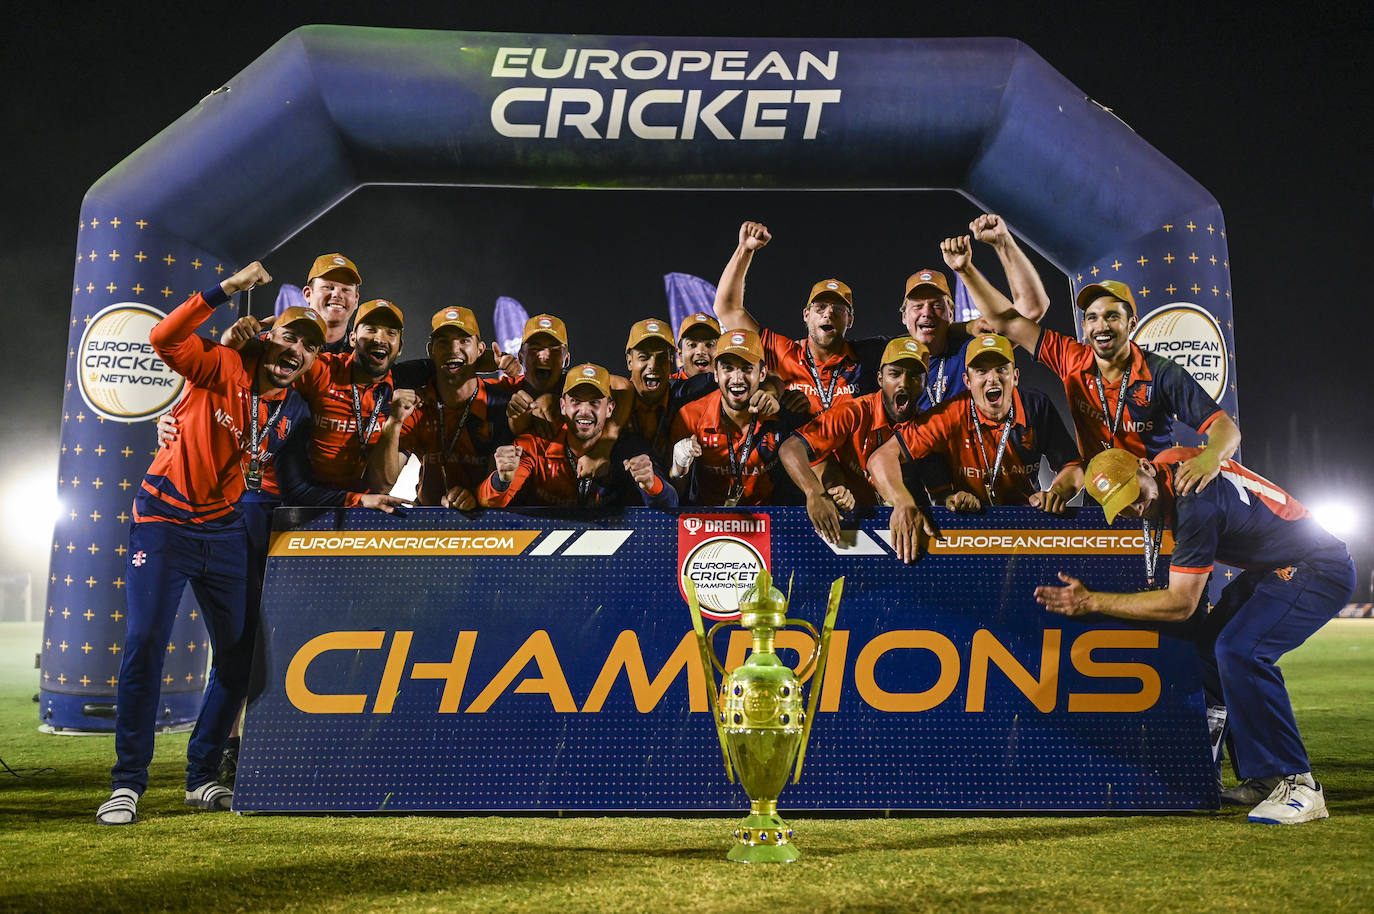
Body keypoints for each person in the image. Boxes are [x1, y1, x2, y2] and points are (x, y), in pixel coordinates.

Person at [94, 263, 399, 826]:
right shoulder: (222, 364)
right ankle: (127, 783)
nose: (297, 350)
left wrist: (360, 499)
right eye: (290, 337)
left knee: (240, 657)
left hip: (225, 528)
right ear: (270, 338)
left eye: (308, 346)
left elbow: (302, 479)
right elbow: (164, 338)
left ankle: (202, 775)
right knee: (145, 646)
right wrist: (226, 291)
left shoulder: (295, 410)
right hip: (164, 525)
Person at [1036, 447, 1356, 826]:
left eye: (1133, 493)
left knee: (1241, 651)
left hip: (1318, 566)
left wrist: (1092, 601)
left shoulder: (1195, 506)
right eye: (1120, 505)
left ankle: (1298, 783)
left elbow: (1180, 604)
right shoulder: (1174, 462)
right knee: (1208, 653)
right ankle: (1268, 778)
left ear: (1145, 467)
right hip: (1277, 566)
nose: (1134, 509)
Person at [943, 234, 1242, 495]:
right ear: (1084, 326)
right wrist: (966, 269)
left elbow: (1225, 427)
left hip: (1152, 495)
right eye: (1092, 317)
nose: (1102, 326)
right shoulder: (1072, 357)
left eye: (1112, 316)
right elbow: (1006, 321)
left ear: (1131, 323)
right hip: (1101, 496)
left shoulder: (1161, 373)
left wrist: (1210, 458)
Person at [868, 333, 1083, 525]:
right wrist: (903, 503)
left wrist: (1056, 493)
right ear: (967, 381)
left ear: (1015, 376)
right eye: (981, 371)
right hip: (969, 522)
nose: (992, 378)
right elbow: (880, 458)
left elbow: (1074, 468)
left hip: (1025, 520)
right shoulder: (949, 413)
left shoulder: (1036, 406)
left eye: (1001, 369)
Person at [778, 336, 929, 541]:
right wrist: (815, 493)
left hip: (905, 521)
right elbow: (790, 448)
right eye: (894, 374)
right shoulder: (854, 412)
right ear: (880, 379)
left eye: (914, 376)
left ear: (925, 383)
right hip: (854, 525)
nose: (903, 383)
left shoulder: (930, 424)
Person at [712, 221, 871, 413]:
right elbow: (727, 308)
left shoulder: (868, 358)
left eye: (838, 309)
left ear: (850, 320)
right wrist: (744, 249)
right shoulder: (781, 352)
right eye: (820, 307)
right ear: (806, 315)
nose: (828, 313)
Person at [369, 307, 514, 507]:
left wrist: (474, 496)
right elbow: (382, 485)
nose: (453, 349)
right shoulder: (416, 405)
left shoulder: (501, 404)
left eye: (464, 340)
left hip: (488, 520)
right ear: (431, 351)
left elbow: (505, 473)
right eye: (443, 342)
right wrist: (394, 422)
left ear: (480, 350)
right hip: (430, 520)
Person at [478, 363, 676, 508]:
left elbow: (670, 503)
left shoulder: (630, 448)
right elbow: (489, 501)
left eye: (594, 403)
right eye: (576, 401)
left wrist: (651, 484)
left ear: (610, 409)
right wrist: (502, 480)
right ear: (562, 406)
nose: (584, 411)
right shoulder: (534, 443)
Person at [906, 213, 1051, 410]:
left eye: (937, 305)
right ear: (904, 316)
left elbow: (1032, 307)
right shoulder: (889, 360)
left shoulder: (973, 347)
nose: (927, 312)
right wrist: (965, 326)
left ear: (951, 312)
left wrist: (1003, 243)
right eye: (917, 305)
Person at [669, 329, 808, 506]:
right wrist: (679, 467)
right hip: (706, 524)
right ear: (716, 375)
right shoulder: (690, 415)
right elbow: (675, 493)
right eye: (728, 368)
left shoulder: (783, 413)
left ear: (762, 374)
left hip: (769, 522)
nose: (737, 379)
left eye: (747, 368)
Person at [302, 253, 362, 355]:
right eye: (328, 287)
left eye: (346, 289)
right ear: (308, 294)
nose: (337, 295)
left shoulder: (365, 359)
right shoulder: (273, 345)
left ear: (356, 300)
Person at [672, 311, 722, 379]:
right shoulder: (666, 387)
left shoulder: (731, 385)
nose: (700, 351)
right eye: (692, 345)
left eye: (709, 344)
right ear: (680, 355)